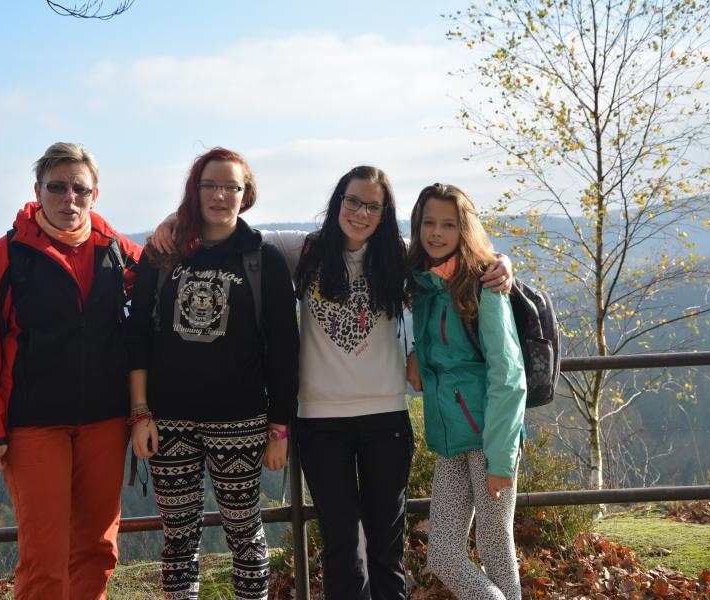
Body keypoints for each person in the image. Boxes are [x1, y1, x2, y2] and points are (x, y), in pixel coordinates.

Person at [151, 166, 513, 600]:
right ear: (338, 201)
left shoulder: (399, 256)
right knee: (343, 547)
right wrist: (177, 219)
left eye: (372, 206)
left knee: (386, 548)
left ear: (384, 213)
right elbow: (232, 230)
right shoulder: (305, 249)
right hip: (321, 423)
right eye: (353, 201)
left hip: (386, 419)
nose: (361, 213)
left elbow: (462, 256)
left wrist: (504, 263)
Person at [0, 142, 142, 600]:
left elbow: (168, 276)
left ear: (95, 195)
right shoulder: (8, 256)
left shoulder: (115, 250)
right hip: (33, 424)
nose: (69, 198)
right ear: (37, 191)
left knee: (98, 550)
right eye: (57, 187)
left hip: (105, 419)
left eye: (80, 189)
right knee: (44, 557)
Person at [125, 147, 299, 600]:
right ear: (195, 190)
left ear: (246, 193)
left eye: (231, 186)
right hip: (168, 421)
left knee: (245, 534)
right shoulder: (162, 253)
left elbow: (285, 349)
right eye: (210, 185)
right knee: (178, 539)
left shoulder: (263, 258)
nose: (220, 195)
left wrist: (279, 429)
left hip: (240, 420)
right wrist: (140, 413)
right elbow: (137, 336)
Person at [406, 183, 526, 600]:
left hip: (489, 437)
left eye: (449, 225)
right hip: (450, 439)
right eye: (429, 223)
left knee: (496, 550)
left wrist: (501, 458)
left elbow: (509, 376)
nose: (436, 233)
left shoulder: (484, 284)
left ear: (465, 229)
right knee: (443, 555)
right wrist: (416, 352)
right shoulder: (425, 282)